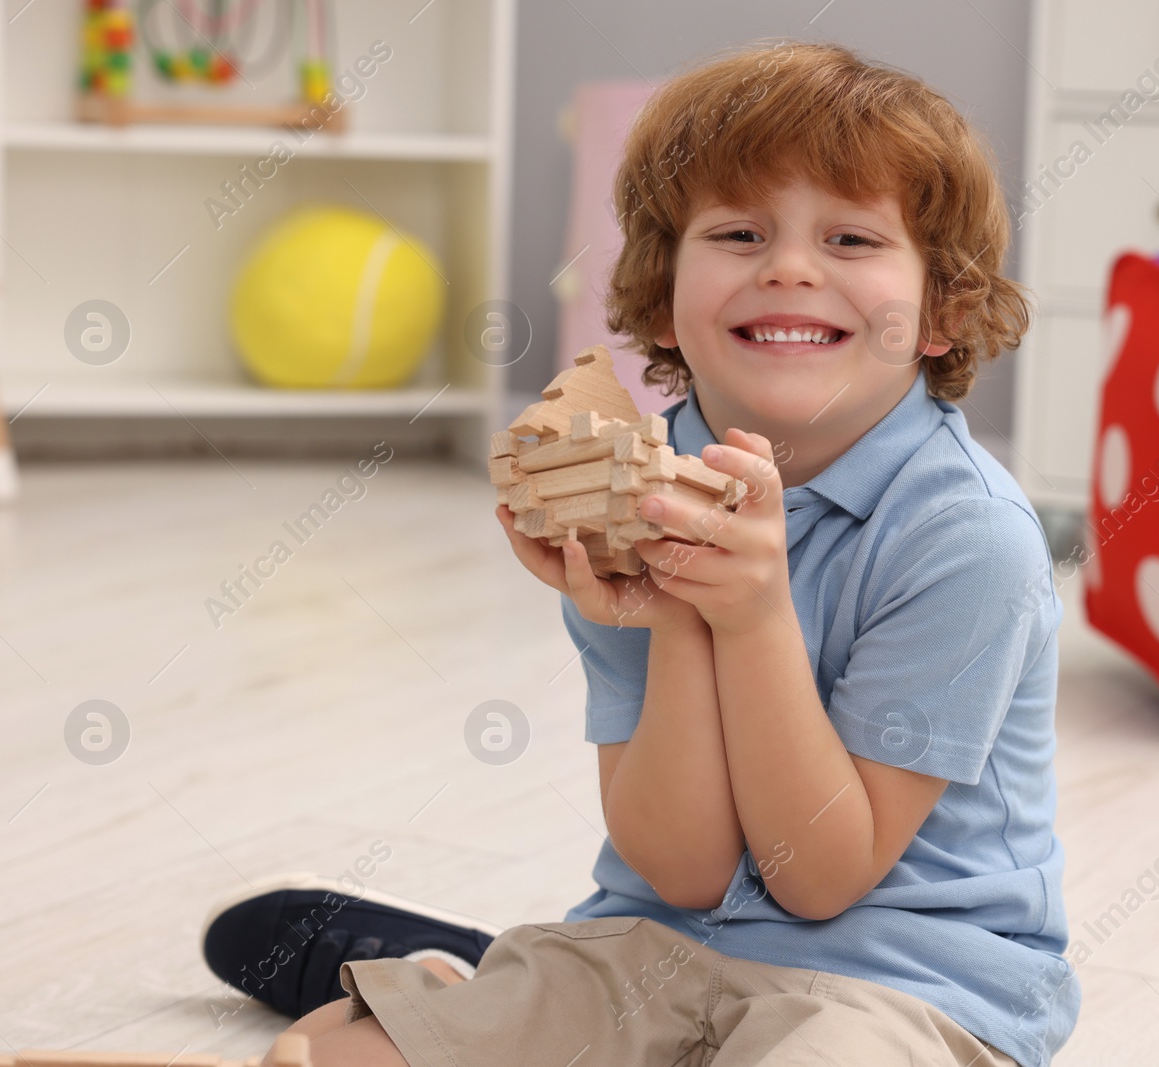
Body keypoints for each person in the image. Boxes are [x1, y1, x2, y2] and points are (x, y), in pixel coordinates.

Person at [201, 36, 1078, 1067]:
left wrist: (747, 615)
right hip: (656, 941)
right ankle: (459, 976)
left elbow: (818, 873)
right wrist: (668, 613)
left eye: (849, 239)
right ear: (664, 292)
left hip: (901, 979)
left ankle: (467, 964)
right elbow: (683, 867)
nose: (789, 266)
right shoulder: (629, 488)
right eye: (740, 231)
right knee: (323, 1057)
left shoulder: (966, 536)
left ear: (943, 310)